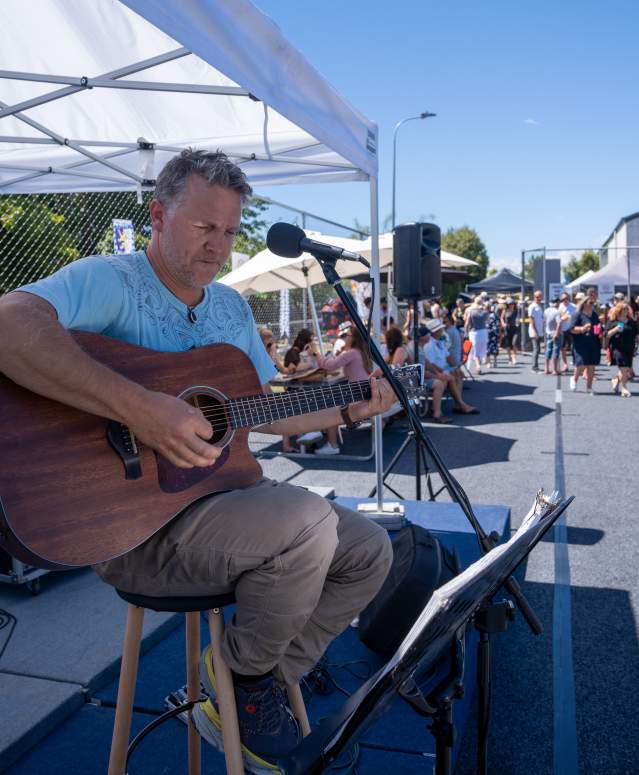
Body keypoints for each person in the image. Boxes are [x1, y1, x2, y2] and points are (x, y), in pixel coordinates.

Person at [0, 148, 395, 769]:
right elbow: (8, 323)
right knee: (308, 520)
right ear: (158, 215)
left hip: (222, 507)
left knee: (371, 549)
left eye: (231, 231)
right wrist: (140, 408)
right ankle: (244, 674)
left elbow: (269, 413)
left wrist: (353, 408)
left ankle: (245, 682)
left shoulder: (231, 308)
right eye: (204, 226)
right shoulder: (108, 279)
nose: (219, 244)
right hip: (134, 535)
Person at [310, 326, 374, 454]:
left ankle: (332, 445)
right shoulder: (361, 351)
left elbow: (330, 365)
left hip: (359, 396)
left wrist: (316, 353)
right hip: (365, 392)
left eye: (347, 335)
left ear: (353, 338)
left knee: (331, 408)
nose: (345, 338)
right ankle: (319, 432)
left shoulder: (352, 353)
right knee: (332, 401)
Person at [423, 318, 479, 419]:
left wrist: (455, 367)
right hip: (435, 371)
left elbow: (447, 356)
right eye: (440, 329)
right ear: (434, 331)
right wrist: (444, 371)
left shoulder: (439, 342)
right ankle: (460, 404)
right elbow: (430, 365)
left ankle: (459, 403)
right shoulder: (429, 345)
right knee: (451, 377)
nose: (442, 331)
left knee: (458, 374)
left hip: (441, 368)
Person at [570, 293, 601, 394]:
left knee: (591, 365)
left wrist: (599, 330)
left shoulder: (594, 315)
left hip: (593, 342)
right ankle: (574, 379)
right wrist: (582, 329)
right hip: (580, 343)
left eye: (593, 303)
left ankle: (589, 387)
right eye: (590, 303)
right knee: (581, 364)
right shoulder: (577, 314)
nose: (592, 304)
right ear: (584, 303)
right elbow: (572, 329)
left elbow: (597, 326)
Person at [606, 303, 637, 397]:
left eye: (626, 309)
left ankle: (616, 379)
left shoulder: (631, 322)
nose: (625, 311)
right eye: (623, 309)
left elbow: (636, 334)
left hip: (629, 348)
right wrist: (616, 329)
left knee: (627, 368)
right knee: (623, 368)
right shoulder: (613, 321)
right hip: (617, 348)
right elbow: (607, 334)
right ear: (618, 310)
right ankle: (624, 388)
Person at [464, 297, 489, 375]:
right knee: (481, 349)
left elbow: (467, 323)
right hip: (483, 332)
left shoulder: (471, 312)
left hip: (474, 332)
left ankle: (477, 366)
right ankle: (479, 363)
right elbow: (487, 321)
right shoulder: (485, 312)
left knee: (474, 350)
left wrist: (466, 332)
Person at [558, 291, 577, 372]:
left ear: (569, 298)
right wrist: (562, 319)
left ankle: (576, 364)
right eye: (562, 299)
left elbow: (577, 317)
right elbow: (558, 318)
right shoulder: (560, 306)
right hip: (563, 329)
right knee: (562, 348)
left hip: (572, 329)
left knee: (574, 347)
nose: (564, 300)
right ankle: (565, 364)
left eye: (566, 298)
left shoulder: (573, 306)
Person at [543, 298, 562, 375]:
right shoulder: (556, 311)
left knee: (548, 350)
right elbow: (559, 323)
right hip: (555, 334)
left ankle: (546, 369)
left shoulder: (546, 310)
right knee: (555, 351)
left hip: (548, 333)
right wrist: (557, 333)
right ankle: (554, 370)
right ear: (557, 303)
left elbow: (544, 322)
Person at [527, 290, 544, 372]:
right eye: (536, 297)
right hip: (534, 331)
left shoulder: (539, 306)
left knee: (538, 349)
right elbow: (531, 319)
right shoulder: (532, 306)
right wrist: (535, 331)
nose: (538, 298)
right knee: (536, 349)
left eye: (539, 296)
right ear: (534, 297)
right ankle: (534, 367)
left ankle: (536, 366)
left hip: (539, 330)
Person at [500, 298, 520, 365]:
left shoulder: (516, 311)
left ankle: (514, 357)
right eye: (510, 304)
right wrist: (503, 323)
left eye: (512, 304)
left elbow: (518, 318)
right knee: (508, 344)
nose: (511, 305)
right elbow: (501, 318)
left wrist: (517, 322)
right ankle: (509, 358)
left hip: (515, 328)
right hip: (507, 328)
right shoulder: (505, 310)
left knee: (514, 343)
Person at [486, 302, 501, 369]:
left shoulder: (494, 315)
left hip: (493, 332)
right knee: (488, 347)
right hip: (488, 332)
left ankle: (494, 362)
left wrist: (499, 332)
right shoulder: (484, 315)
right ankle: (490, 362)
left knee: (493, 347)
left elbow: (498, 324)